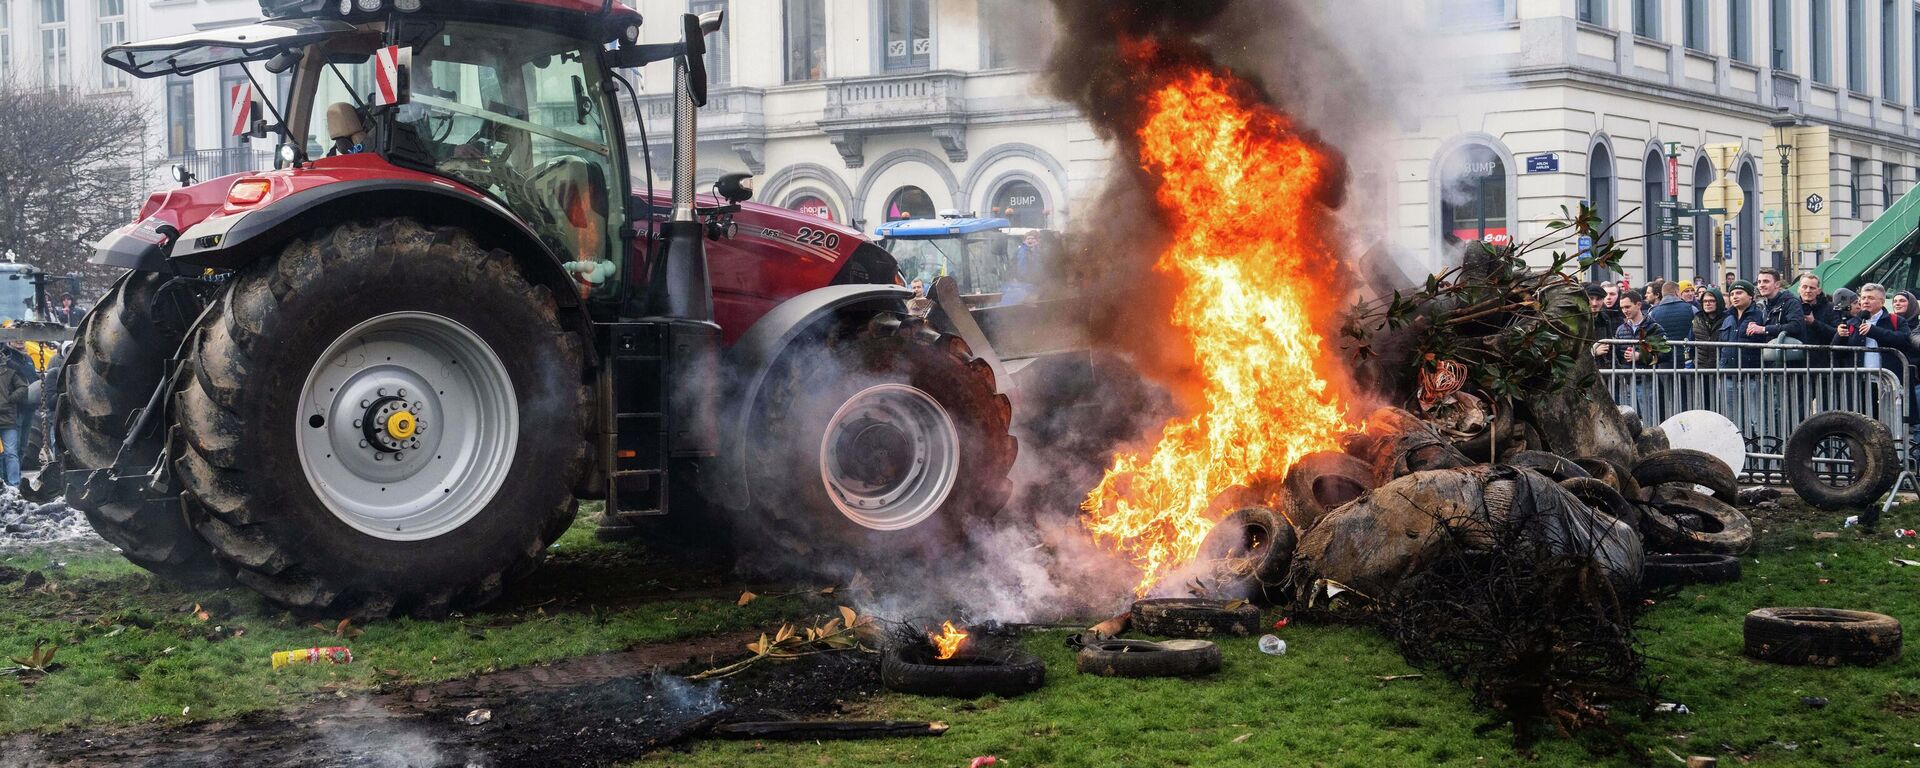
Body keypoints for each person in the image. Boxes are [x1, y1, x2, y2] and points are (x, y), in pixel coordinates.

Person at [1750, 268, 1807, 349]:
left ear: (1777, 284)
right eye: (1759, 282)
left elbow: (1795, 326)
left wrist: (1763, 329)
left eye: (1766, 281)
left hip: (1788, 356)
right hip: (1771, 354)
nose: (1761, 285)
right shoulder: (1763, 305)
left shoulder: (1791, 302)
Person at [1797, 273, 1842, 367]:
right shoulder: (1793, 307)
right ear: (1799, 289)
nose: (1808, 291)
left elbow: (1837, 333)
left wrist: (1814, 323)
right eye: (1804, 287)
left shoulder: (1830, 308)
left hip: (1824, 363)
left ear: (1818, 290)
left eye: (1812, 288)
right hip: (1798, 364)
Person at [1647, 280, 1696, 366]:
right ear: (1677, 292)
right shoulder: (1691, 309)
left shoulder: (1652, 313)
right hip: (1685, 360)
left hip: (1663, 361)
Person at [0, 349, 28, 488]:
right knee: (10, 454)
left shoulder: (10, 372)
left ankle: (14, 485)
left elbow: (23, 387)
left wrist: (10, 399)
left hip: (8, 419)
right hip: (9, 418)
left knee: (11, 453)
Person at [1692, 287, 1725, 369]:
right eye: (1705, 301)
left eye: (1712, 301)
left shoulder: (1727, 319)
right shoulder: (1697, 320)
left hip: (1720, 368)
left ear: (1718, 302)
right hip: (1700, 368)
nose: (1707, 304)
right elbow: (1690, 340)